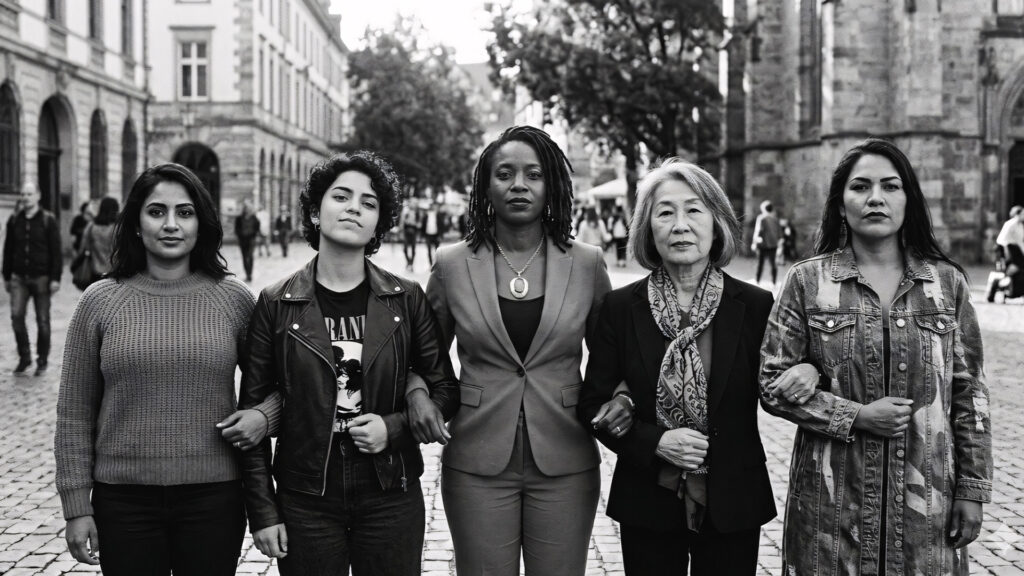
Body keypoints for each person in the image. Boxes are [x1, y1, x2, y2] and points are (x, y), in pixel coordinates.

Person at [759, 138, 991, 575]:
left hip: (928, 504)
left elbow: (970, 395)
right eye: (860, 187)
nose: (875, 198)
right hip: (832, 507)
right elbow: (772, 383)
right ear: (841, 202)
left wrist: (973, 490)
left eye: (891, 186)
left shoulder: (946, 284)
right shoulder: (808, 282)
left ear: (909, 200)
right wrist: (856, 416)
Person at [578, 159, 804, 575]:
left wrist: (808, 372)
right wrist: (655, 442)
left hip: (733, 498)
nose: (680, 224)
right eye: (665, 212)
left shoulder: (755, 307)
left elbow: (783, 380)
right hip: (647, 498)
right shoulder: (620, 308)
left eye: (694, 210)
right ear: (648, 228)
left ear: (717, 223)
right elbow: (592, 404)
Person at [237, 151, 459, 576]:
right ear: (316, 212)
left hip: (389, 488)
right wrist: (263, 511)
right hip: (306, 495)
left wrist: (393, 428)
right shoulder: (276, 303)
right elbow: (253, 413)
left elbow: (446, 390)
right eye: (341, 196)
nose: (354, 207)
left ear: (379, 224)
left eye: (369, 203)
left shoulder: (406, 298)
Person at [54, 163, 278, 575]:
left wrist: (265, 417)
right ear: (136, 223)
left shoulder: (233, 299)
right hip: (122, 501)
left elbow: (280, 385)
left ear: (201, 224)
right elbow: (73, 412)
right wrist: (75, 505)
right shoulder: (100, 301)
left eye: (185, 212)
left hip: (214, 497)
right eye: (157, 212)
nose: (171, 224)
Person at [422, 125, 616, 576]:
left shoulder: (587, 262)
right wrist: (419, 393)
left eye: (533, 174)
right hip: (476, 458)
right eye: (504, 174)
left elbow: (612, 358)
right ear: (486, 186)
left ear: (552, 185)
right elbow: (425, 357)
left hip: (565, 456)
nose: (519, 185)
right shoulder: (452, 263)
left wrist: (621, 397)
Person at [2, 181, 62, 376]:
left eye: (29, 194)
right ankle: (25, 357)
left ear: (38, 196)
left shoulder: (48, 220)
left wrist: (55, 277)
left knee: (43, 320)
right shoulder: (14, 220)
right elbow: (8, 249)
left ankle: (42, 359)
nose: (25, 198)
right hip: (19, 277)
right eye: (23, 194)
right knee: (16, 317)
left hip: (42, 278)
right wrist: (6, 275)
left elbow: (56, 251)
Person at [73, 197, 120, 290]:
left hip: (94, 272)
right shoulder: (119, 228)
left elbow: (83, 247)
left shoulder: (91, 226)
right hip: (115, 272)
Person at [752, 200, 781, 287]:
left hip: (763, 245)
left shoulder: (761, 218)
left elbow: (758, 231)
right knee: (773, 264)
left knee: (760, 264)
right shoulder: (775, 219)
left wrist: (754, 243)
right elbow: (779, 234)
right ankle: (774, 282)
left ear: (763, 209)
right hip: (773, 244)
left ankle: (757, 281)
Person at [235, 199, 260, 282]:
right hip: (243, 240)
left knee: (250, 256)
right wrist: (239, 235)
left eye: (248, 207)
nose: (246, 209)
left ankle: (250, 274)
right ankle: (247, 273)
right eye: (245, 207)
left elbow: (257, 227)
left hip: (251, 239)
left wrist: (255, 234)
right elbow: (237, 228)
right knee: (245, 257)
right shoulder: (239, 218)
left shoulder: (254, 218)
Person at [421, 200, 443, 265]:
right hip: (428, 235)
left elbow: (441, 225)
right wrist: (423, 236)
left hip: (436, 235)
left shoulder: (438, 215)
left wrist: (440, 235)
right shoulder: (426, 215)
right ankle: (431, 264)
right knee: (429, 251)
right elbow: (423, 226)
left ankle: (436, 264)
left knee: (437, 251)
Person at [401, 203, 419, 271]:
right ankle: (408, 262)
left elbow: (419, 224)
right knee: (405, 249)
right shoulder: (406, 213)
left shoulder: (417, 213)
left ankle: (411, 264)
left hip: (414, 232)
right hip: (406, 232)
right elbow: (403, 222)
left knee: (413, 250)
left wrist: (414, 223)